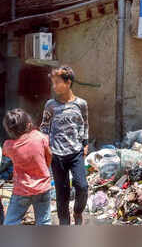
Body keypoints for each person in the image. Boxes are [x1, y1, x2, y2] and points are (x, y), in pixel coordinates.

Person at [40, 65, 89, 225]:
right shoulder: (50, 105)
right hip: (57, 154)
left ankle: (77, 212)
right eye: (52, 83)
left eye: (57, 82)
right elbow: (44, 128)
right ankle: (64, 223)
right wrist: (46, 149)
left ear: (68, 83)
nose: (54, 86)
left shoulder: (81, 104)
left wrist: (85, 143)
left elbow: (85, 124)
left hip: (76, 152)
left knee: (82, 186)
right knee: (62, 192)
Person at [2, 108, 52, 225]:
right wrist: (45, 168)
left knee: (11, 222)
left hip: (22, 189)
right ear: (29, 124)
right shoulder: (40, 137)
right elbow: (49, 154)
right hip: (42, 186)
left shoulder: (8, 146)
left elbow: (5, 153)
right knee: (44, 221)